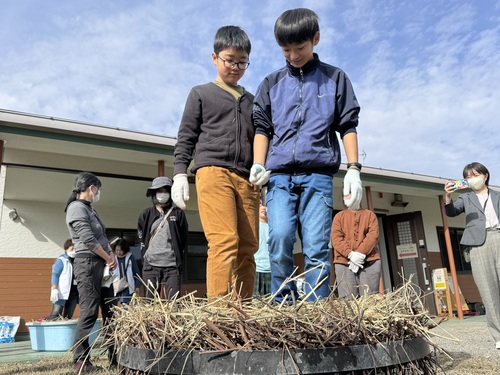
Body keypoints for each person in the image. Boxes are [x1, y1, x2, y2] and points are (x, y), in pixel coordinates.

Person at [251, 8, 362, 303]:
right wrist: (258, 164)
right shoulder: (271, 83)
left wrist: (353, 168)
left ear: (316, 39)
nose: (293, 55)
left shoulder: (334, 78)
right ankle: (283, 304)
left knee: (315, 245)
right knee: (280, 238)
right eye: (285, 50)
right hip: (279, 176)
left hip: (318, 175)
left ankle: (317, 308)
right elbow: (262, 127)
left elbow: (347, 124)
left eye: (299, 48)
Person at [172, 26, 260, 301]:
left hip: (246, 178)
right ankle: (219, 310)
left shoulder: (252, 101)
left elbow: (260, 138)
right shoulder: (200, 93)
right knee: (224, 240)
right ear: (214, 57)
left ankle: (243, 308)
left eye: (242, 61)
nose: (236, 66)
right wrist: (178, 174)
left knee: (248, 246)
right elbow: (186, 136)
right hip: (212, 171)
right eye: (229, 60)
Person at [444, 162, 500, 350]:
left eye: (475, 175)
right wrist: (448, 197)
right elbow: (451, 212)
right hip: (478, 243)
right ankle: (498, 335)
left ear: (485, 175)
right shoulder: (465, 197)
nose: (472, 179)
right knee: (488, 290)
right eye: (468, 177)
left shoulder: (497, 195)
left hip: (498, 236)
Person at [65, 172, 117, 372]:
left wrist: (110, 255)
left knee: (110, 310)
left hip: (101, 264)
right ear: (91, 187)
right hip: (87, 263)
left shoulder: (89, 209)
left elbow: (102, 236)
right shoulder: (76, 208)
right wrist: (107, 257)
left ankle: (114, 354)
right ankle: (81, 360)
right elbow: (87, 239)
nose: (99, 192)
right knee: (89, 311)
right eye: (98, 188)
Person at [138, 176, 188, 300]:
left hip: (172, 266)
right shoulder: (146, 214)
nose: (163, 194)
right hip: (150, 265)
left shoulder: (178, 213)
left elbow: (183, 238)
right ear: (154, 194)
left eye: (166, 191)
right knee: (150, 303)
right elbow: (141, 236)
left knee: (173, 303)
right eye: (159, 191)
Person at [330, 194, 381, 299]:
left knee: (369, 300)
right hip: (343, 262)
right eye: (345, 193)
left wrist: (360, 254)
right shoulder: (339, 217)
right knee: (347, 300)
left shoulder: (370, 215)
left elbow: (373, 236)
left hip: (369, 262)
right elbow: (336, 239)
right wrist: (350, 254)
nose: (347, 196)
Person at [45, 239, 79, 320]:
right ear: (66, 249)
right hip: (62, 291)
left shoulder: (78, 261)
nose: (74, 251)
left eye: (76, 249)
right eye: (72, 249)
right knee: (56, 314)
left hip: (74, 292)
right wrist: (54, 288)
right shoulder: (62, 260)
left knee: (68, 316)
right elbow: (55, 274)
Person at [112, 238, 141, 305]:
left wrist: (137, 286)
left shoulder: (130, 258)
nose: (118, 252)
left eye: (120, 250)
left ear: (125, 250)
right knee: (113, 306)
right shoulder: (113, 258)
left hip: (128, 288)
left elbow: (136, 273)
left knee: (126, 307)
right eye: (116, 250)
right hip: (115, 286)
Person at [254, 204, 271, 297]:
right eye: (260, 205)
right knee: (254, 302)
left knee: (273, 303)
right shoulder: (253, 226)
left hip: (272, 270)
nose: (264, 208)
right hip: (256, 269)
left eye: (266, 205)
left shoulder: (275, 228)